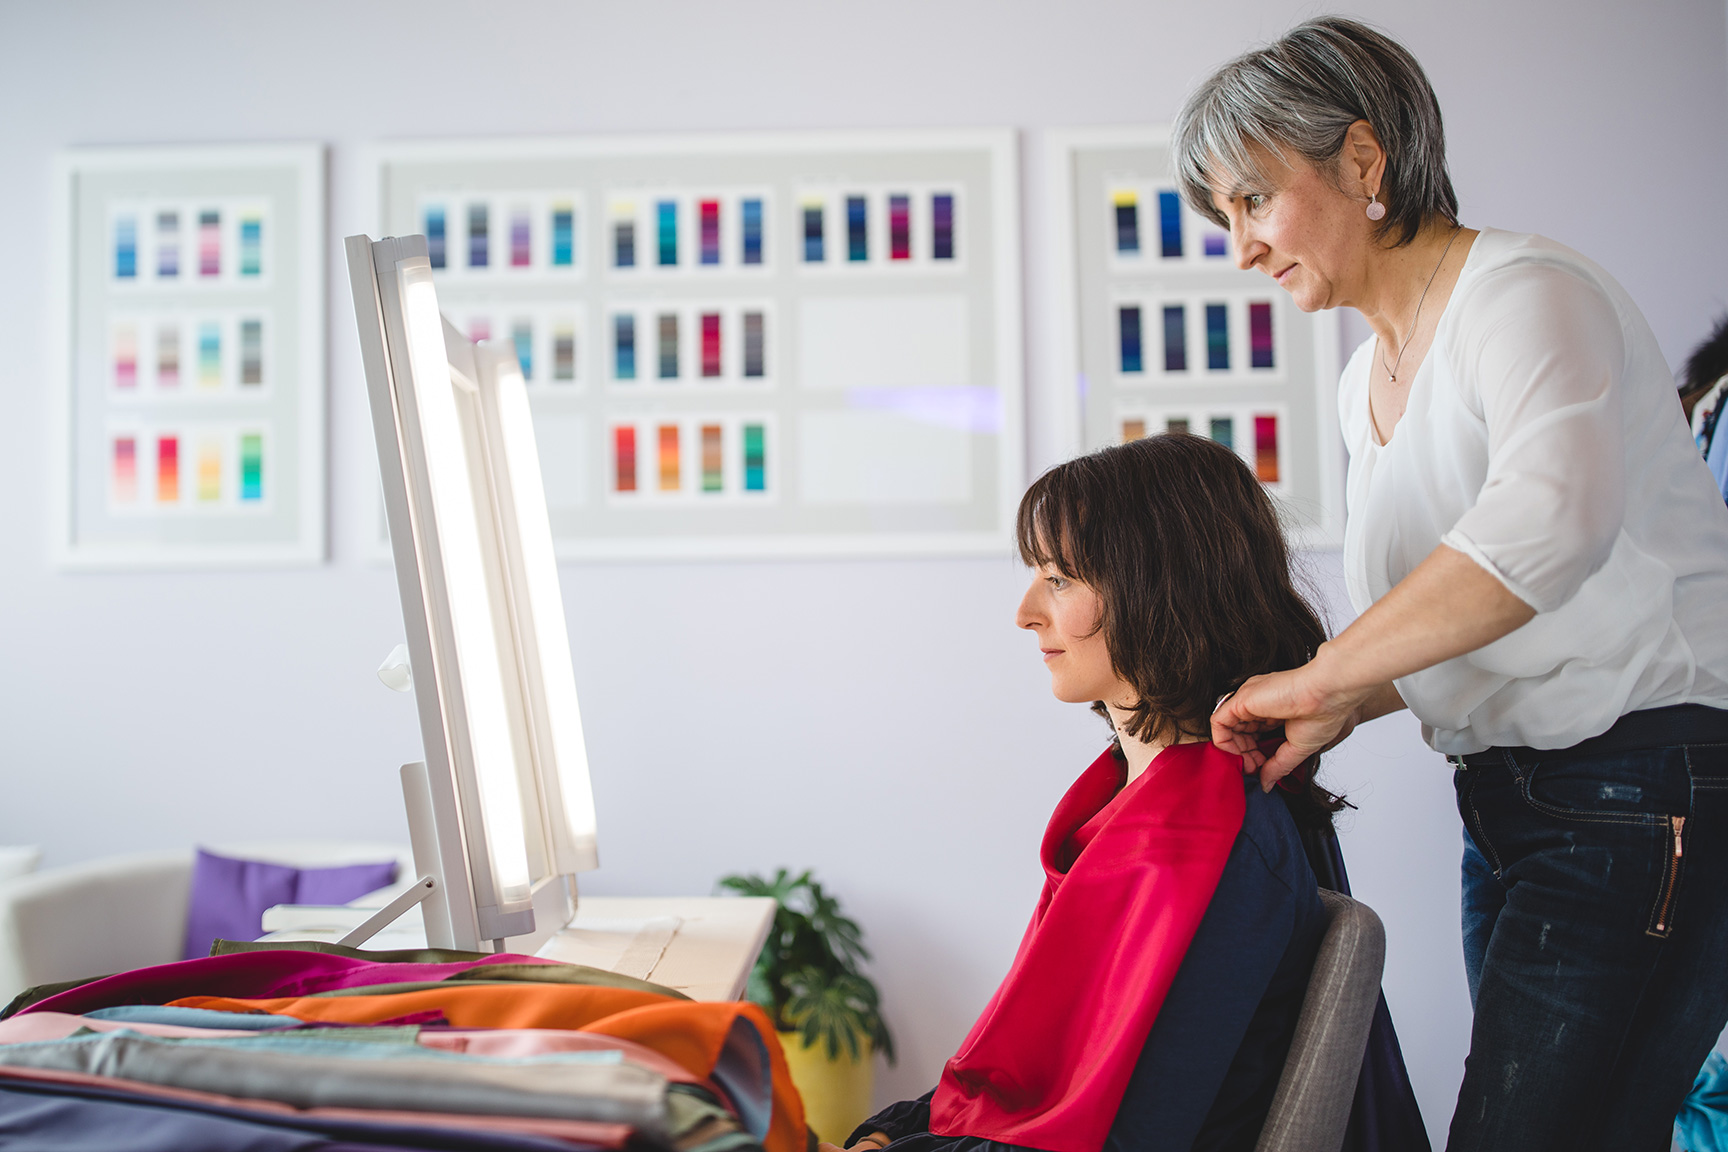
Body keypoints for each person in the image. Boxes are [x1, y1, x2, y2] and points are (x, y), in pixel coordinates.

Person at [1178, 16, 1728, 1151]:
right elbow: (1472, 614)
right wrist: (1343, 701)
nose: (1240, 248)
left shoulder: (1525, 296)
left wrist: (1324, 675)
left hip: (1635, 787)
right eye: (1222, 215)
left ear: (1362, 160)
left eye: (1253, 200)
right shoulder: (1361, 384)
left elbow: (1541, 536)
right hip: (1513, 804)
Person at [826, 434, 1341, 1152]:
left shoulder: (1203, 842)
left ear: (1160, 590)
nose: (1026, 612)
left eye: (1060, 579)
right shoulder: (1125, 804)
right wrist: (892, 1136)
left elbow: (1119, 1134)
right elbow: (1029, 1084)